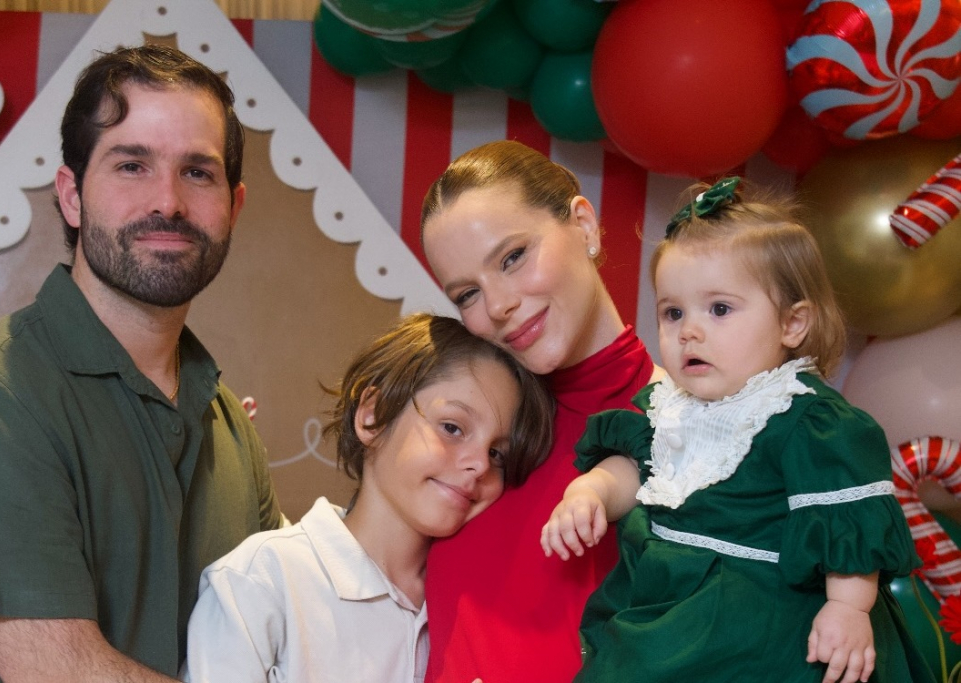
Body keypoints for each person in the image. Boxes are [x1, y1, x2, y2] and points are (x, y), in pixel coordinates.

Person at [0, 44, 283, 682]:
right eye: (132, 165)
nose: (169, 202)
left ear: (233, 208)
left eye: (197, 173)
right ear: (72, 197)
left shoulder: (232, 427)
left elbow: (283, 638)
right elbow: (62, 674)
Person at [541, 177, 935, 683]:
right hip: (667, 609)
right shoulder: (670, 405)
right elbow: (640, 470)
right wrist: (591, 491)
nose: (689, 330)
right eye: (673, 312)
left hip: (764, 624)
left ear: (792, 324)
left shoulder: (804, 421)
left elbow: (847, 526)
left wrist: (849, 608)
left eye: (720, 309)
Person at [181, 313, 555, 682]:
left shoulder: (475, 611)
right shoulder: (260, 581)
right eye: (453, 428)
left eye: (497, 454)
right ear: (373, 416)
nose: (478, 464)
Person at [420, 140, 663, 682]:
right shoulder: (469, 443)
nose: (499, 304)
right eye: (466, 294)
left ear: (584, 225)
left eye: (512, 257)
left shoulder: (698, 431)